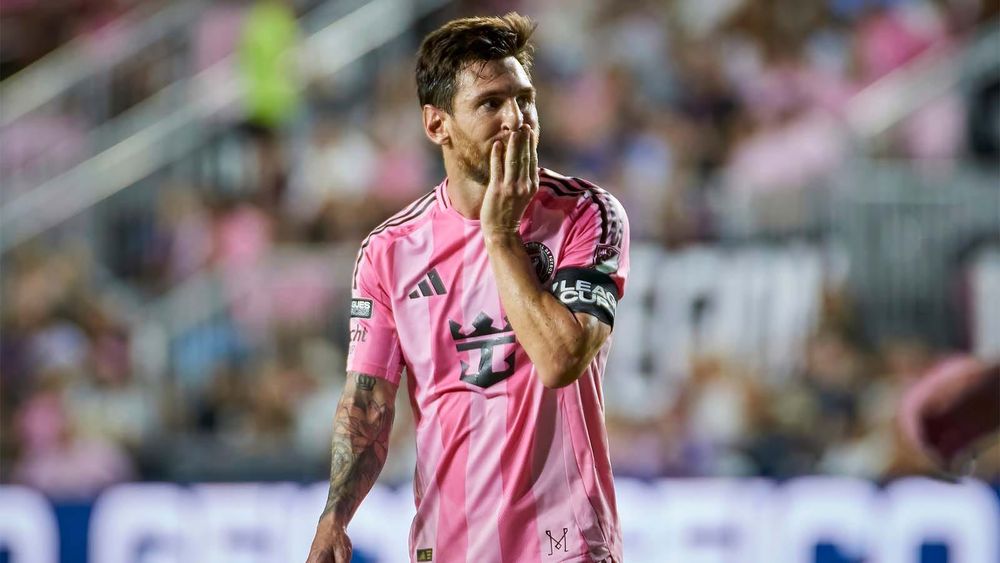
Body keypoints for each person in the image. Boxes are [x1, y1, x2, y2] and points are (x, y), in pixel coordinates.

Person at [306, 13, 629, 563]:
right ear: (437, 126)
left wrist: (499, 235)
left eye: (524, 99)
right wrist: (335, 516)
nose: (518, 119)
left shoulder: (587, 215)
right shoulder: (389, 252)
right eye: (490, 103)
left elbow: (561, 359)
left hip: (565, 544)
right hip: (448, 544)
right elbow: (370, 403)